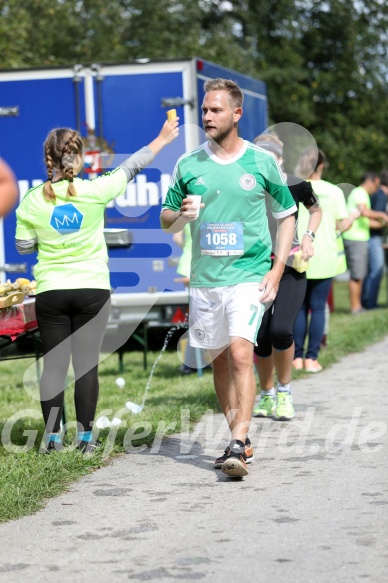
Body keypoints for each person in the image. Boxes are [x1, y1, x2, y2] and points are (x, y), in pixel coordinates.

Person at [15, 118, 179, 453]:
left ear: (48, 158)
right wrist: (162, 139)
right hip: (93, 289)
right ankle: (87, 441)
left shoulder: (31, 200)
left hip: (51, 291)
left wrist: (48, 239)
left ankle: (52, 440)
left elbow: (23, 246)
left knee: (55, 366)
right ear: (78, 157)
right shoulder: (96, 190)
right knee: (86, 364)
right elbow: (133, 165)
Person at [161, 78, 296, 478]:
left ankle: (237, 442)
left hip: (248, 275)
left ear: (237, 114)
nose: (207, 116)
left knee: (240, 354)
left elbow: (286, 214)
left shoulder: (260, 162)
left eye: (215, 110)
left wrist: (277, 268)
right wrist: (181, 215)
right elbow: (166, 220)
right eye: (204, 110)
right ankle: (238, 436)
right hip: (205, 280)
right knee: (219, 360)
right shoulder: (189, 165)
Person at [252, 134, 322, 420]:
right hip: (255, 268)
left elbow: (315, 210)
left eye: (271, 156)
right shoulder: (248, 184)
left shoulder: (295, 183)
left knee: (281, 330)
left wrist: (308, 236)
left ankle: (284, 392)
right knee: (260, 335)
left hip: (290, 266)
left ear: (279, 158)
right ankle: (266, 395)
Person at [293, 148, 359, 372]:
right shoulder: (333, 192)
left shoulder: (295, 187)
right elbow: (342, 226)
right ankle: (312, 359)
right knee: (318, 307)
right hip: (325, 256)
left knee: (299, 308)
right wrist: (354, 216)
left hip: (299, 254)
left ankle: (296, 358)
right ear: (321, 166)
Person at [342, 172, 388, 314]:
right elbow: (365, 213)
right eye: (376, 184)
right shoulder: (359, 192)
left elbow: (366, 221)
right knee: (357, 274)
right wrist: (383, 215)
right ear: (371, 181)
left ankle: (360, 305)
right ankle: (356, 308)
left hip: (360, 237)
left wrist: (382, 223)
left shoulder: (362, 194)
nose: (376, 188)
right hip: (354, 237)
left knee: (360, 273)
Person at [173, 224, 210, 375]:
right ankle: (192, 362)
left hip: (189, 262)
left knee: (198, 317)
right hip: (205, 263)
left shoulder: (188, 208)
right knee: (201, 318)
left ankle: (193, 361)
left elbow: (176, 237)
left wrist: (188, 246)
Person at [361, 169, 388, 309]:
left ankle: (366, 302)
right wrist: (385, 222)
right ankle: (370, 303)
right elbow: (376, 216)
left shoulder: (377, 193)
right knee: (376, 271)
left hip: (371, 238)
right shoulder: (382, 196)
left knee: (371, 272)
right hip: (374, 238)